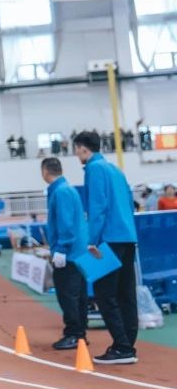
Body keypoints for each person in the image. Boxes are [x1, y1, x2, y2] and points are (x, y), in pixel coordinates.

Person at [73, 131, 139, 365]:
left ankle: (122, 347)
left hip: (108, 239)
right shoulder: (115, 170)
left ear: (83, 148)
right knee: (126, 293)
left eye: (76, 149)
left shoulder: (93, 169)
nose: (76, 154)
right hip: (127, 236)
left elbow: (97, 207)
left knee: (104, 294)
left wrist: (92, 240)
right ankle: (127, 344)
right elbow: (130, 203)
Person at [42, 157, 88, 350]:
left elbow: (65, 223)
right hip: (78, 252)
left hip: (70, 254)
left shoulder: (60, 192)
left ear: (45, 171)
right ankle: (79, 333)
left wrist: (61, 249)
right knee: (78, 295)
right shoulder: (67, 190)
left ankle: (74, 334)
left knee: (68, 295)